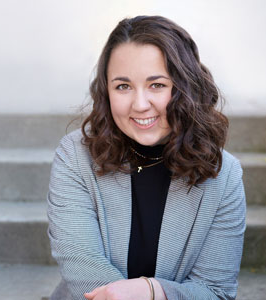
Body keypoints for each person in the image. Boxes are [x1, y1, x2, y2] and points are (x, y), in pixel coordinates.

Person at [47, 15, 246, 300]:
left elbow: (215, 291)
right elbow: (84, 272)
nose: (140, 105)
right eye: (123, 86)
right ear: (106, 91)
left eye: (157, 85)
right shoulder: (75, 156)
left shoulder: (224, 176)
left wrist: (153, 292)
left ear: (185, 87)